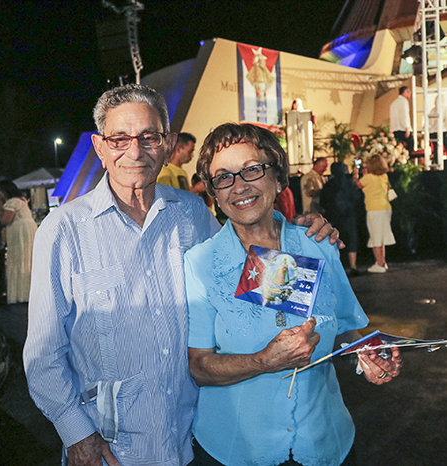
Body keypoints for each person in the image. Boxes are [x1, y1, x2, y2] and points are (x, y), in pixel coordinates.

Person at [23, 84, 341, 466]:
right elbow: (43, 355)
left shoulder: (193, 215)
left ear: (168, 143)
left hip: (193, 440)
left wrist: (300, 234)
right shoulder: (63, 230)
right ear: (100, 147)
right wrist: (78, 435)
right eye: (120, 138)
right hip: (111, 449)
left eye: (149, 137)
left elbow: (256, 277)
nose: (135, 151)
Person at [185, 123, 401, 466]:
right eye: (223, 177)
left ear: (278, 176)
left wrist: (366, 353)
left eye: (252, 170)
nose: (239, 186)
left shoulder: (318, 244)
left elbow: (344, 328)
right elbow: (198, 366)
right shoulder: (201, 264)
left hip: (324, 444)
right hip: (237, 450)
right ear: (213, 192)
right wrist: (263, 361)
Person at [353, 154, 396, 273]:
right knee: (381, 236)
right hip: (386, 208)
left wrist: (356, 174)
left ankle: (379, 264)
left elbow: (357, 185)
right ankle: (382, 262)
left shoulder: (369, 178)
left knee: (375, 236)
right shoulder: (384, 176)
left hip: (374, 209)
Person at [0, 180, 37, 303]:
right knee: (27, 259)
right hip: (27, 230)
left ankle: (20, 294)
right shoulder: (21, 200)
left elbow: (5, 220)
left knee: (18, 260)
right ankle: (28, 291)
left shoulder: (12, 202)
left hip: (19, 233)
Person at [320, 162, 362, 275]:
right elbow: (357, 197)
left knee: (334, 240)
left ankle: (336, 267)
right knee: (352, 239)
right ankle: (353, 265)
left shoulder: (329, 185)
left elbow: (323, 201)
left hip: (334, 215)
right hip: (349, 215)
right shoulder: (348, 184)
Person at [390, 86, 413, 156]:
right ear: (404, 92)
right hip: (402, 128)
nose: (410, 94)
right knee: (409, 147)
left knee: (398, 149)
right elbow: (404, 115)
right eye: (408, 92)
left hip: (395, 129)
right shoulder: (404, 102)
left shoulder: (393, 103)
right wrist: (407, 128)